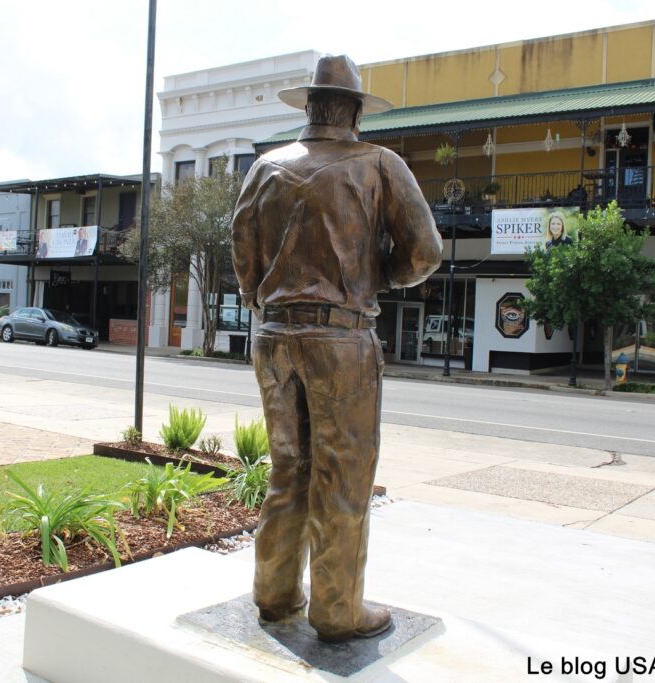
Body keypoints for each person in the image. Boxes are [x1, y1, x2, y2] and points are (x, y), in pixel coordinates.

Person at [232, 54, 442, 643]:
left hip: (273, 336)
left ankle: (274, 594)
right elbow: (425, 254)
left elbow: (241, 253)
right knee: (341, 476)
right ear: (351, 110)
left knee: (288, 469)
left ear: (310, 107)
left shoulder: (265, 168)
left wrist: (268, 302)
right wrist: (376, 275)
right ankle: (337, 610)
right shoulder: (378, 163)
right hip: (341, 340)